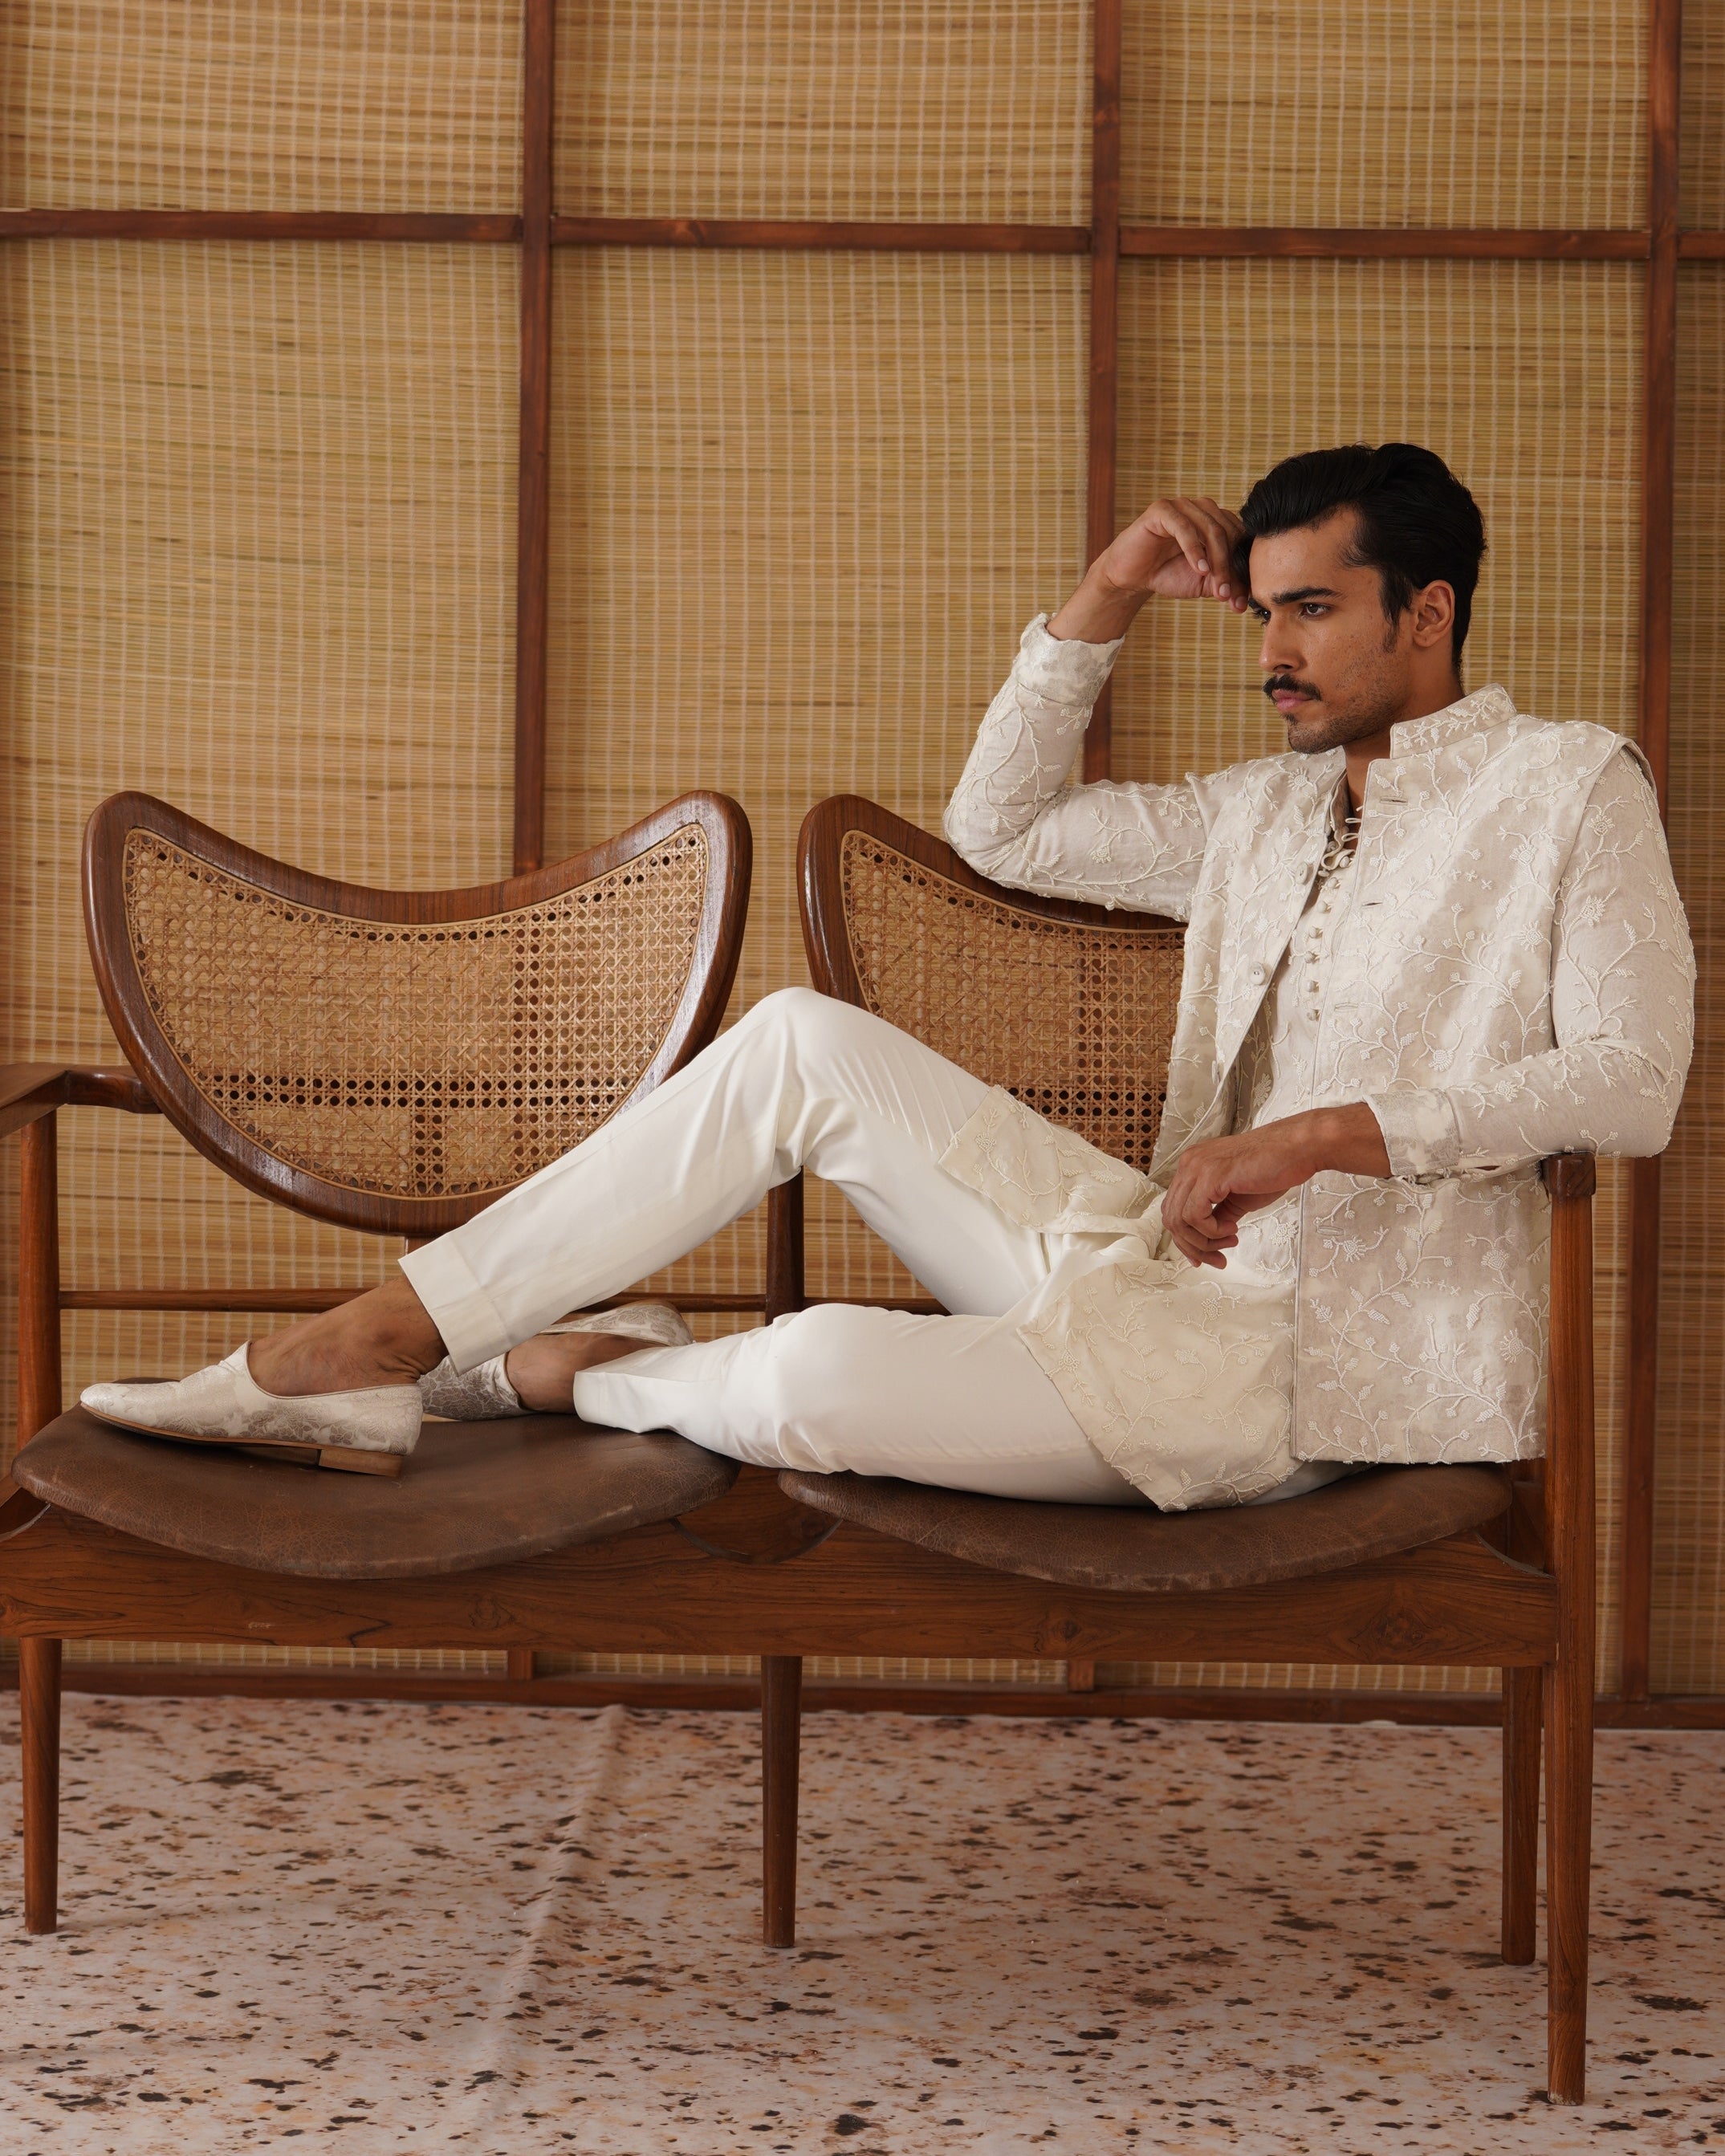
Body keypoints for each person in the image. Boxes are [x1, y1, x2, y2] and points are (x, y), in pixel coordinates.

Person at [83, 443, 1695, 1513]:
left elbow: (1632, 1080)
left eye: (1314, 612)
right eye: (1263, 612)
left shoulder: (1567, 789)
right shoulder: (1259, 811)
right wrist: (1107, 593)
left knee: (815, 1368)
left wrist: (1317, 1134)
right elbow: (1005, 826)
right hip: (1144, 1261)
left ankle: (583, 1366)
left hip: (1308, 1376)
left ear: (1429, 611)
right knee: (799, 1037)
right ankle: (376, 1339)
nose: (1272, 653)